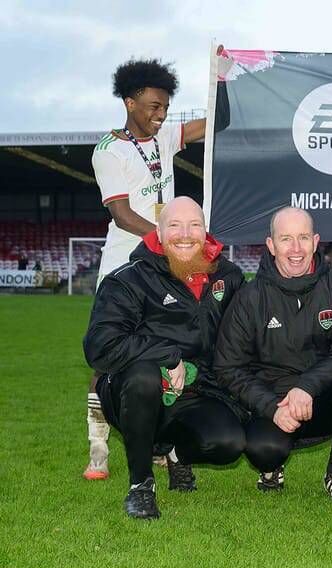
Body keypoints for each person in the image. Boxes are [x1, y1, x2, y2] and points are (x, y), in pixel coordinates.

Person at [84, 58, 210, 481]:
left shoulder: (165, 136)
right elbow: (121, 214)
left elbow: (211, 125)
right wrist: (166, 236)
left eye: (165, 108)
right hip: (125, 263)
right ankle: (97, 446)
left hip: (165, 261)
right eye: (154, 107)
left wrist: (222, 77)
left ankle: (162, 441)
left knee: (168, 351)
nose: (161, 116)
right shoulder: (109, 150)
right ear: (129, 101)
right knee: (109, 357)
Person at [83, 197, 247, 519]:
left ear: (205, 230)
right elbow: (100, 345)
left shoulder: (228, 277)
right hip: (136, 394)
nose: (185, 234)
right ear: (158, 231)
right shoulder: (129, 279)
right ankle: (141, 485)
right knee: (143, 376)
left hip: (198, 393)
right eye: (174, 225)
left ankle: (175, 451)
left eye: (194, 225)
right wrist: (167, 355)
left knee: (230, 444)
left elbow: (246, 340)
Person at [214, 207, 332, 506]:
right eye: (286, 239)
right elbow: (228, 367)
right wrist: (271, 407)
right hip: (273, 403)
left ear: (315, 242)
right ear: (271, 245)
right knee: (264, 451)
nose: (296, 249)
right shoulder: (250, 298)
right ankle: (272, 469)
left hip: (321, 399)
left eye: (303, 238)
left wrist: (307, 386)